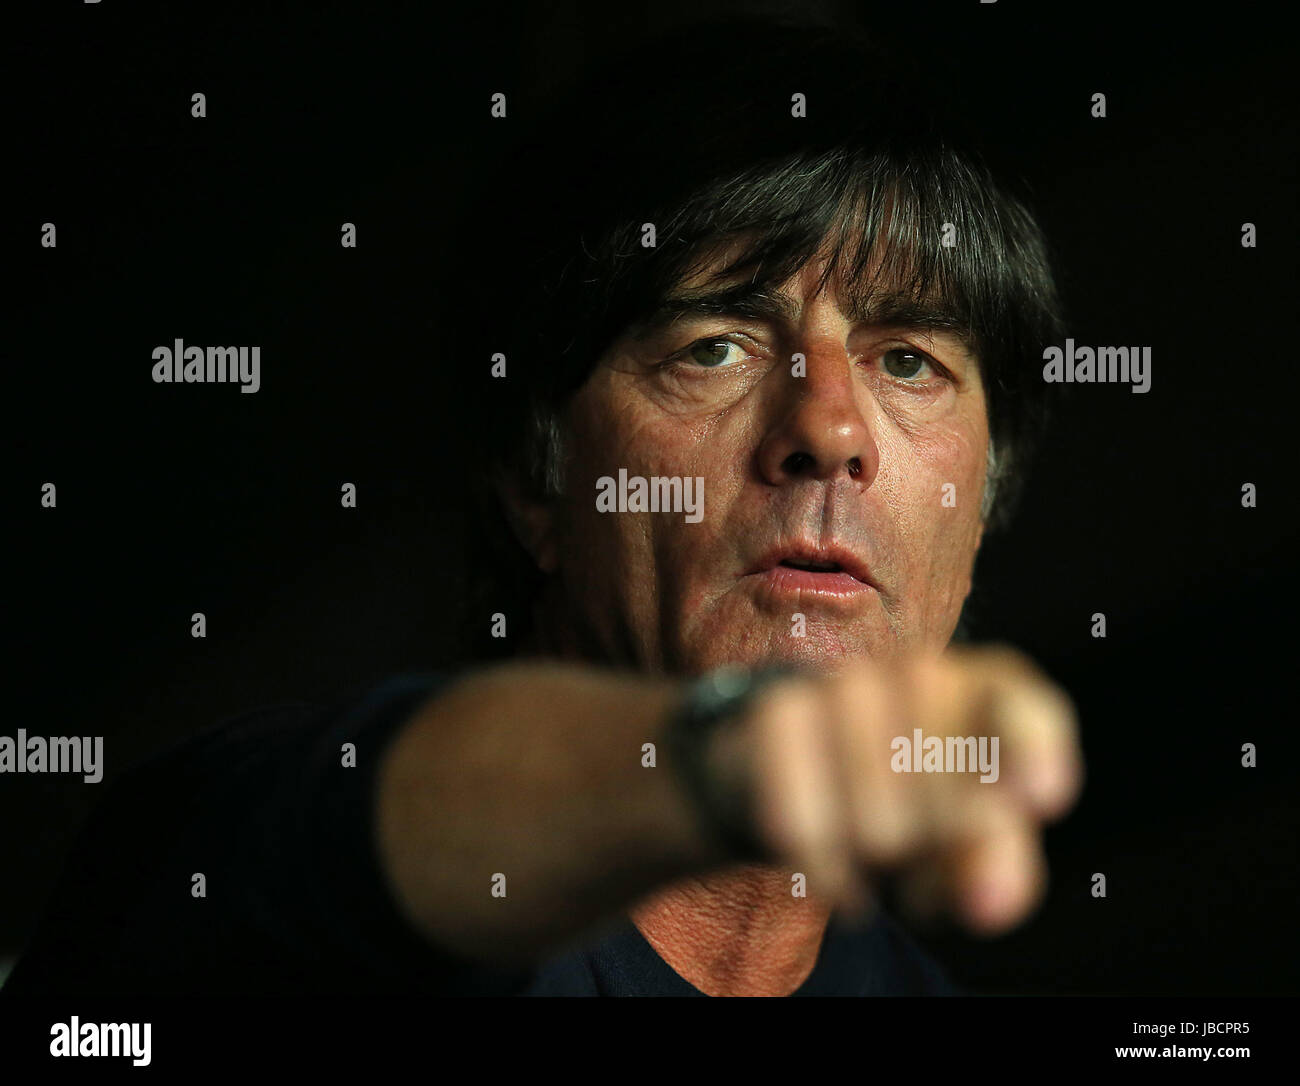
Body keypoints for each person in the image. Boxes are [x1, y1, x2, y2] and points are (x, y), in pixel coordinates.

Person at [3, 18, 1083, 997]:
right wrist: (729, 760)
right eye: (713, 346)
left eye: (907, 360)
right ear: (536, 480)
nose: (830, 428)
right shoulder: (270, 880)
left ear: (981, 505)